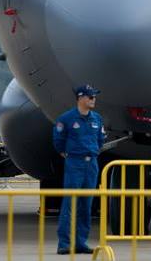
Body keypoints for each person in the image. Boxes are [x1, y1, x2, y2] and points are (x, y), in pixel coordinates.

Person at [53, 84, 106, 255]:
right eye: (90, 97)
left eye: (94, 97)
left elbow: (100, 140)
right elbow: (58, 141)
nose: (93, 100)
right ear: (81, 98)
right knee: (70, 203)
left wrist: (94, 151)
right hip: (75, 163)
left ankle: (80, 242)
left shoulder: (97, 118)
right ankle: (64, 242)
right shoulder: (67, 119)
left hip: (91, 164)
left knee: (86, 204)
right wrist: (66, 154)